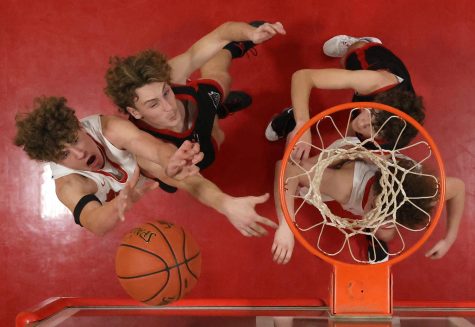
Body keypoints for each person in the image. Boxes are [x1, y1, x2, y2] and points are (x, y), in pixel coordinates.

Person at [104, 21, 286, 237]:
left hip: (198, 110)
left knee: (220, 78)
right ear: (135, 112)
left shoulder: (170, 76)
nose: (168, 107)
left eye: (166, 92)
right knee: (210, 147)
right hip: (181, 153)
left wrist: (250, 33)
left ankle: (230, 61)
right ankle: (218, 111)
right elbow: (193, 183)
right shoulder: (144, 147)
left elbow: (220, 35)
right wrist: (225, 204)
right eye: (153, 104)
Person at [14, 96, 203, 236]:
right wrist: (117, 206)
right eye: (64, 154)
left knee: (153, 161)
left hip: (145, 162)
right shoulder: (68, 185)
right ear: (54, 161)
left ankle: (207, 103)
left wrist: (171, 158)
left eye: (74, 140)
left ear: (80, 127)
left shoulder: (108, 128)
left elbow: (152, 146)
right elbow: (93, 221)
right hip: (134, 183)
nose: (79, 154)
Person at [271, 137, 465, 264]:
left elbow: (458, 188)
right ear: (375, 189)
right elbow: (286, 168)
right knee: (299, 174)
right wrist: (286, 225)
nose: (377, 217)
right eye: (375, 207)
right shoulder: (345, 186)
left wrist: (449, 239)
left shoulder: (423, 194)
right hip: (351, 157)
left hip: (389, 167)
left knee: (384, 234)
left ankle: (375, 236)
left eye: (387, 217)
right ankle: (293, 129)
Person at [265, 35, 425, 160]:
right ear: (377, 106)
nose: (363, 124)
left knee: (355, 132)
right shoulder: (375, 82)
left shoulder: (395, 136)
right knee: (348, 60)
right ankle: (360, 42)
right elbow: (303, 77)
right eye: (372, 118)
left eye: (373, 129)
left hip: (377, 103)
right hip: (370, 60)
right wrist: (302, 125)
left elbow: (362, 129)